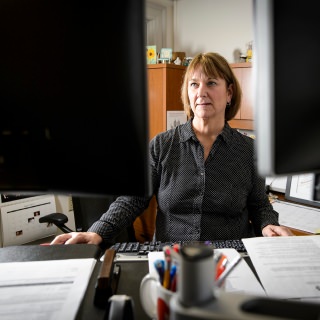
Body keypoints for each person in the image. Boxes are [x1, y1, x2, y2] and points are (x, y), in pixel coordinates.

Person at [51, 52, 293, 246]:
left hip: (231, 257)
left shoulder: (248, 151)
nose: (201, 92)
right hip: (171, 259)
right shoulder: (162, 145)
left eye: (211, 83)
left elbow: (259, 204)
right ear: (187, 93)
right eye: (194, 84)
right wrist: (98, 232)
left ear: (229, 93)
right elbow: (133, 199)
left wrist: (267, 224)